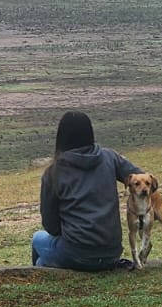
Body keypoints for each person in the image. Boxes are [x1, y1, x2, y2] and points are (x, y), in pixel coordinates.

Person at [31, 110, 142, 271]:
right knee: (43, 262)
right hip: (111, 251)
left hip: (76, 252)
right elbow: (141, 178)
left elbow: (51, 226)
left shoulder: (53, 173)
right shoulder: (109, 157)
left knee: (37, 239)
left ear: (61, 138)